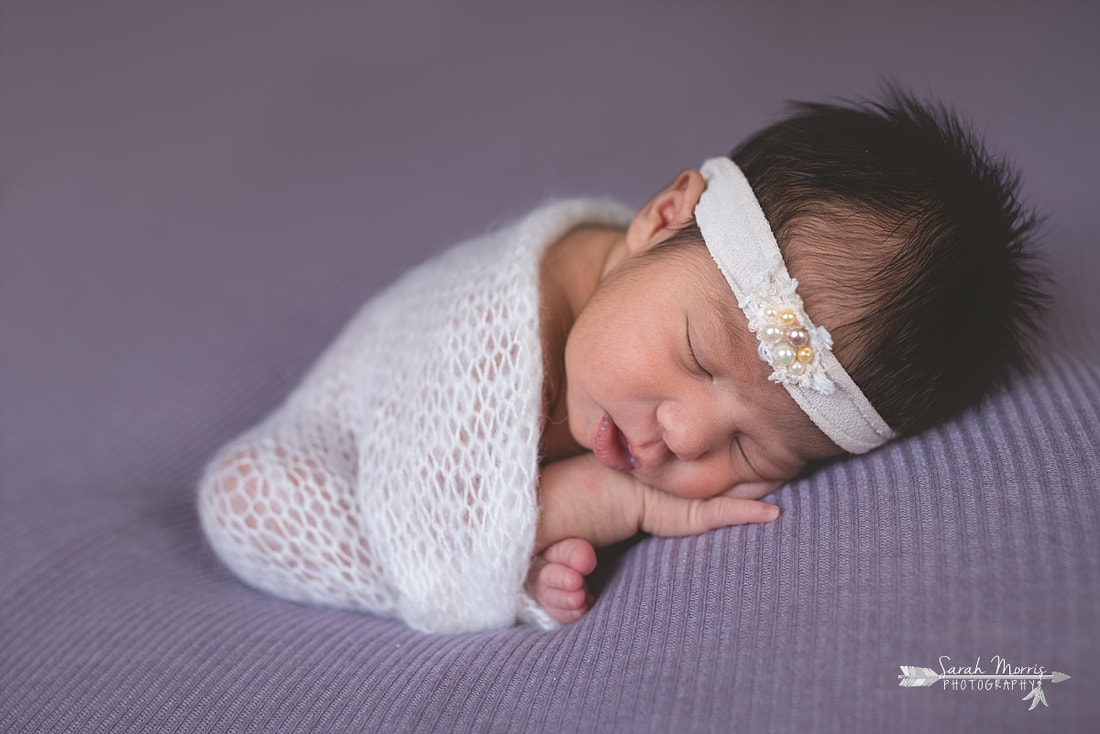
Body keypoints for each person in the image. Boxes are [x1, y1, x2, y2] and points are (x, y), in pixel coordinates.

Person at [196, 88, 1045, 633]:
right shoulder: (503, 324)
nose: (684, 435)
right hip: (342, 449)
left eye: (752, 450)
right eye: (699, 357)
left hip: (439, 496)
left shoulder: (641, 309)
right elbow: (436, 542)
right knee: (244, 499)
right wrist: (593, 499)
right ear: (663, 214)